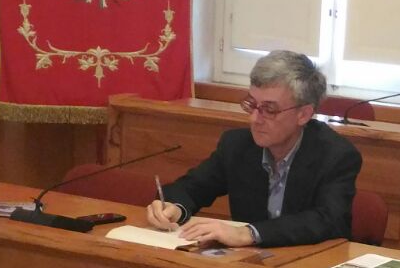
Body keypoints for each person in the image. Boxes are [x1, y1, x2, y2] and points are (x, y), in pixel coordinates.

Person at [146, 50, 361, 247]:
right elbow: (192, 187)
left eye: (269, 109)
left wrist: (249, 233)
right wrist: (174, 207)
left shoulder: (335, 155)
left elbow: (329, 221)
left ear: (303, 115)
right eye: (252, 105)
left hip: (308, 265)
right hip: (249, 263)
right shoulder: (237, 145)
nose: (255, 119)